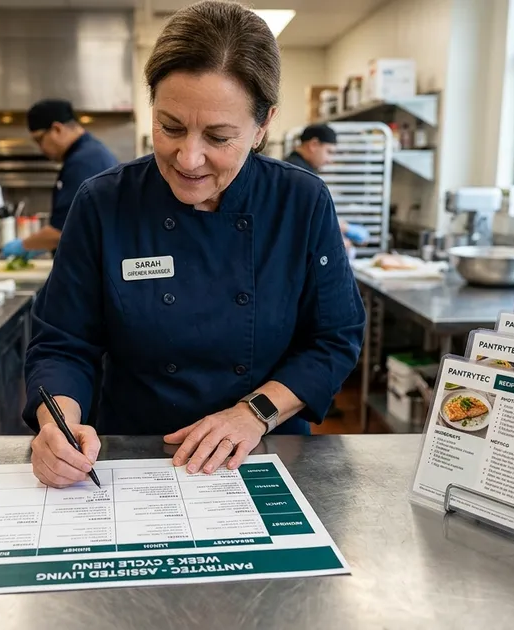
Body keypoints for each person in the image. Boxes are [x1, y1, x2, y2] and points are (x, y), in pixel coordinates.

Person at [25, 0, 365, 488]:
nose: (188, 158)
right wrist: (57, 423)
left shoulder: (300, 200)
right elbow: (63, 342)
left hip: (266, 451)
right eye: (171, 127)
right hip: (132, 456)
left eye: (220, 136)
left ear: (263, 124)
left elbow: (334, 338)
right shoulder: (103, 202)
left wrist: (254, 413)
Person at [1, 99, 118, 258]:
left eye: (39, 139)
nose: (40, 148)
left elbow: (61, 230)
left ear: (57, 129)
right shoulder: (90, 153)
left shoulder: (83, 162)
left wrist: (23, 246)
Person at [284, 123, 371, 248]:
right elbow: (303, 220)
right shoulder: (300, 174)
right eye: (329, 151)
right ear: (313, 145)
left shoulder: (292, 167)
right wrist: (334, 240)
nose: (330, 159)